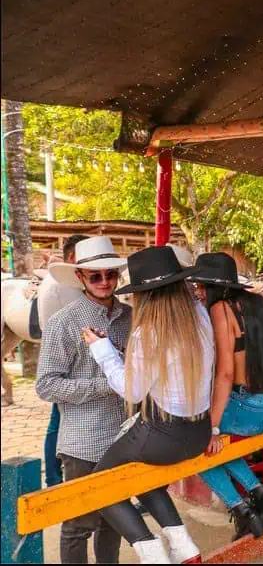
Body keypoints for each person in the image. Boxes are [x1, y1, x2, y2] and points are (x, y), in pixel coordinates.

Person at [80, 246, 211, 563]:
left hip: (162, 434)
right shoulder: (200, 315)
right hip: (200, 430)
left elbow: (131, 391)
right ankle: (183, 546)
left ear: (142, 294)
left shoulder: (148, 332)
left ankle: (152, 552)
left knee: (100, 485)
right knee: (141, 476)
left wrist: (102, 350)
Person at [35, 237, 131, 564]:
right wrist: (108, 384)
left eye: (110, 275)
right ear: (80, 278)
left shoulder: (130, 316)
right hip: (83, 443)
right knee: (78, 525)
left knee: (115, 521)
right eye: (95, 276)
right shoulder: (63, 322)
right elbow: (46, 386)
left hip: (122, 437)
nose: (105, 282)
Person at [189, 253, 263, 541]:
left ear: (212, 286)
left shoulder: (221, 309)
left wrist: (213, 427)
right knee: (214, 444)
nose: (197, 292)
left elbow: (225, 375)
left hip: (248, 409)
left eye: (200, 287)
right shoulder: (260, 303)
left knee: (197, 446)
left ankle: (242, 508)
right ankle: (260, 494)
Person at [36, 233, 89, 488]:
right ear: (72, 258)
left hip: (64, 362)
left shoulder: (52, 282)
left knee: (56, 422)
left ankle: (55, 479)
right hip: (70, 367)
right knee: (59, 423)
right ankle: (57, 480)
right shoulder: (65, 286)